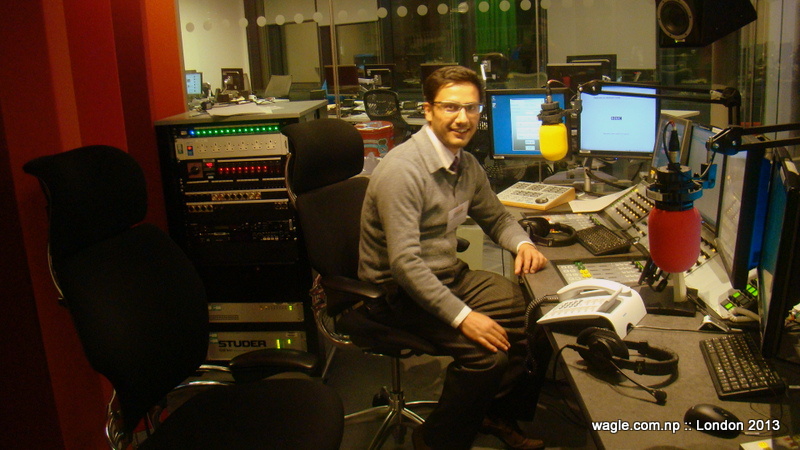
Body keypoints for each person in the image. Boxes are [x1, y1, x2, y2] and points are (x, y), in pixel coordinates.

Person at [358, 65, 549, 449]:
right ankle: (434, 439)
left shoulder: (466, 165)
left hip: (446, 276)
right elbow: (405, 265)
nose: (463, 118)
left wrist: (523, 244)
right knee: (486, 358)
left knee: (538, 310)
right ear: (428, 111)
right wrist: (464, 317)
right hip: (395, 293)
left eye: (471, 108)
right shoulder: (403, 172)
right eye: (450, 107)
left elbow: (497, 218)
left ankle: (491, 412)